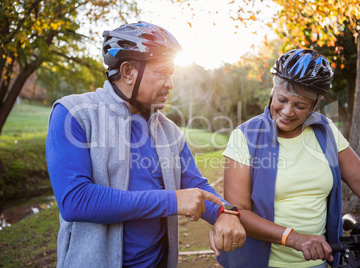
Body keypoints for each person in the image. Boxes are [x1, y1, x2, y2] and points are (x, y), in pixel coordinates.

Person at [46, 21, 246, 268]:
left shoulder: (169, 130)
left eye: (172, 74)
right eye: (162, 73)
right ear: (129, 71)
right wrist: (171, 201)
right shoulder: (74, 113)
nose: (170, 84)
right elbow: (76, 200)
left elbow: (196, 185)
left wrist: (225, 213)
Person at [217, 48, 360, 268]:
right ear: (273, 90)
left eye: (300, 106)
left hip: (320, 261)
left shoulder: (326, 132)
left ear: (314, 105)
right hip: (262, 263)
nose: (287, 111)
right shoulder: (245, 136)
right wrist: (293, 237)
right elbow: (238, 212)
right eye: (281, 99)